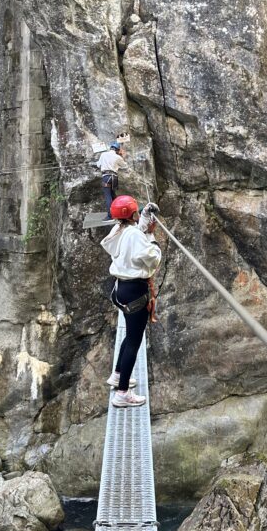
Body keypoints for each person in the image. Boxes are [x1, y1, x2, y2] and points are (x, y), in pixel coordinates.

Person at [101, 196, 161, 408]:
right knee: (134, 342)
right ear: (132, 214)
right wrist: (151, 235)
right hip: (135, 291)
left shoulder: (118, 229)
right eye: (137, 211)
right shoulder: (134, 235)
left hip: (121, 290)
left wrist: (144, 216)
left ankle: (118, 375)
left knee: (130, 335)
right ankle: (123, 394)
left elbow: (135, 234)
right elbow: (152, 258)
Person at [96, 141, 127, 216]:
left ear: (111, 148)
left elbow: (98, 165)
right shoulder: (118, 157)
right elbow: (125, 165)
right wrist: (122, 156)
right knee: (113, 195)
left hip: (106, 177)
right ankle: (117, 212)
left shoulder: (103, 154)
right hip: (114, 178)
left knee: (108, 196)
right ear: (117, 150)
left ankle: (110, 216)